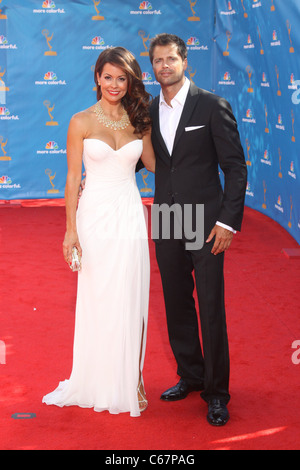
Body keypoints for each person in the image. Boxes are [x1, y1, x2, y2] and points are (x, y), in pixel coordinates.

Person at [42, 47, 155, 417]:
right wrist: (69, 231)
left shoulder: (139, 119)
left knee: (130, 294)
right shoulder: (80, 121)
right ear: (97, 78)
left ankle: (131, 378)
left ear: (131, 81)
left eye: (122, 78)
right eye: (108, 77)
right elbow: (73, 179)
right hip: (94, 217)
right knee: (99, 296)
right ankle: (99, 378)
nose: (115, 85)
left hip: (129, 214)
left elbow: (154, 164)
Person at [148, 34, 247, 426]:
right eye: (158, 61)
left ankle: (217, 392)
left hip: (205, 222)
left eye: (171, 59)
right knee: (175, 301)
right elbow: (146, 157)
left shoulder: (211, 105)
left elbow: (236, 168)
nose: (165, 66)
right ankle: (189, 375)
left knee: (209, 305)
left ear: (184, 60)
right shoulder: (150, 108)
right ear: (151, 65)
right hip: (168, 218)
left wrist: (227, 221)